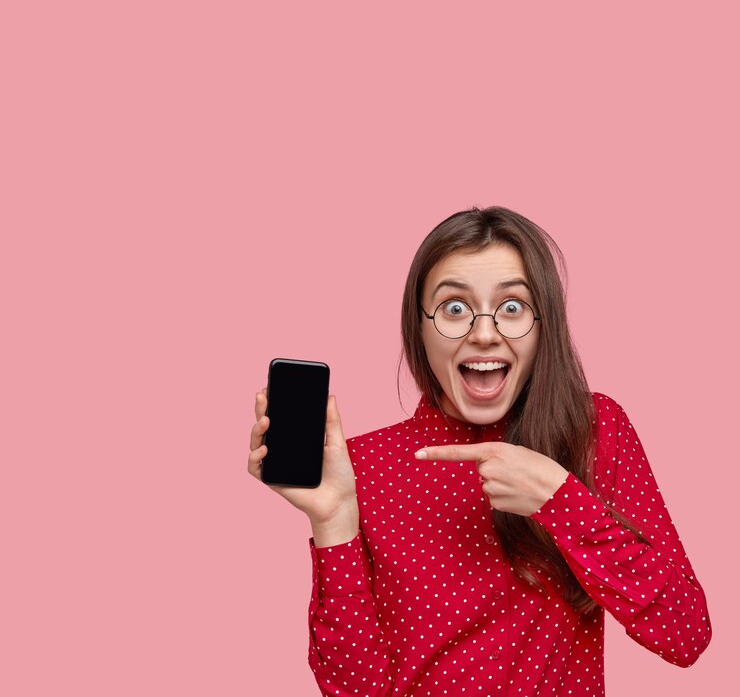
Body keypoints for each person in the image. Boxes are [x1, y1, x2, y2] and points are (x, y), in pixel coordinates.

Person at [248, 206, 711, 696]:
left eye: (512, 308)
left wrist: (561, 500)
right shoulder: (359, 467)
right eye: (454, 309)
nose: (484, 333)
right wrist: (333, 523)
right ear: (419, 328)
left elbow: (685, 634)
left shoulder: (592, 431)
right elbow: (356, 689)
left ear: (542, 324)